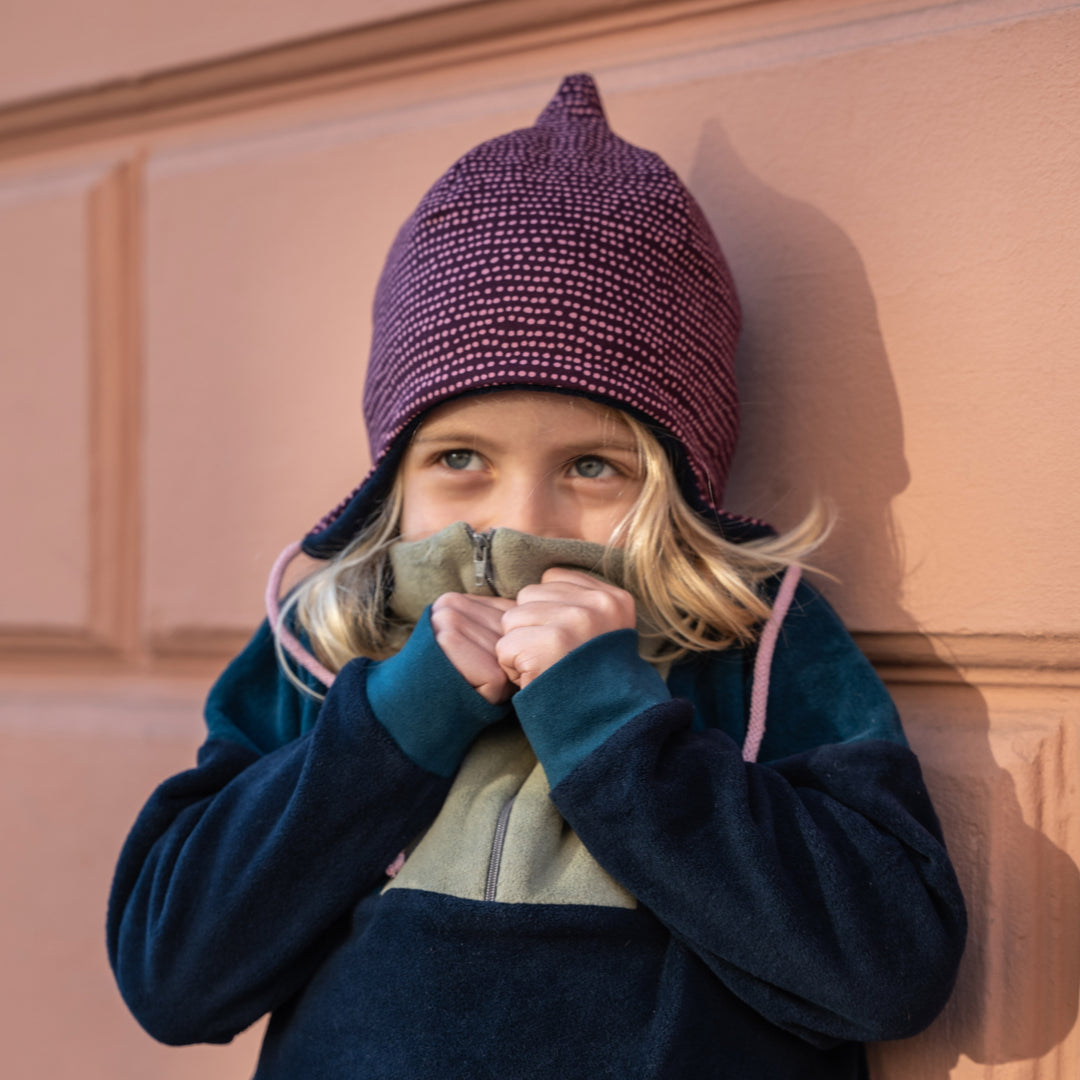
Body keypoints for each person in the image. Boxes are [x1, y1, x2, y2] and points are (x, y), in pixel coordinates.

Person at [107, 74, 965, 1078]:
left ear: (677, 478)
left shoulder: (751, 638)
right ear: (394, 473)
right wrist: (393, 727)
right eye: (461, 457)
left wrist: (614, 729)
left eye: (592, 467)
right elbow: (173, 977)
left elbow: (886, 971)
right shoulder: (332, 635)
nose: (523, 521)